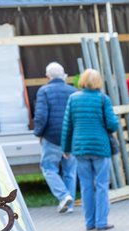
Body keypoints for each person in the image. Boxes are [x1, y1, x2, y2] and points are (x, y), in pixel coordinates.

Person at [61, 68, 118, 231]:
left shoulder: (73, 99)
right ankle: (101, 222)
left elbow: (67, 126)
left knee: (86, 186)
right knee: (101, 185)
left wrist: (65, 148)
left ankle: (89, 222)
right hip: (100, 147)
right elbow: (112, 124)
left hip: (80, 148)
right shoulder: (102, 99)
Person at [34, 62, 77, 214]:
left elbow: (41, 116)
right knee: (70, 171)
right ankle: (69, 205)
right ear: (63, 74)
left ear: (48, 76)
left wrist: (38, 133)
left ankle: (64, 196)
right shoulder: (73, 91)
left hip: (51, 138)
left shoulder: (43, 91)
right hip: (70, 138)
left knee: (48, 168)